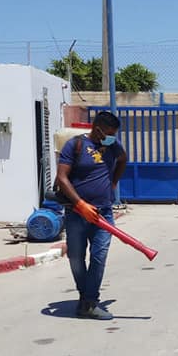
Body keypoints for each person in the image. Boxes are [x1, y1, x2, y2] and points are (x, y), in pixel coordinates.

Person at [55, 111, 127, 319]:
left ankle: (89, 301)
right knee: (76, 257)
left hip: (103, 212)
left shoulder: (113, 146)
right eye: (109, 133)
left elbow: (123, 160)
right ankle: (85, 298)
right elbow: (62, 177)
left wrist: (113, 183)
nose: (112, 137)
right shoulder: (75, 145)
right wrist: (80, 204)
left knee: (99, 256)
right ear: (97, 129)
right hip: (77, 213)